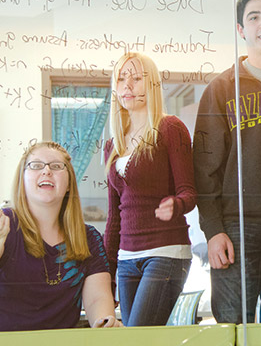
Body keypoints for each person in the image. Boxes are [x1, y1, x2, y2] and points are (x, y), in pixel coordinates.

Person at [193, 0, 261, 324]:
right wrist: (212, 230)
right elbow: (204, 166)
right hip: (236, 227)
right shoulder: (222, 88)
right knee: (232, 326)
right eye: (253, 17)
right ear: (241, 30)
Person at [0, 141, 121, 332]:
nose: (47, 171)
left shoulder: (89, 237)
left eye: (56, 166)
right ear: (22, 180)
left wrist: (105, 321)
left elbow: (98, 298)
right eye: (36, 165)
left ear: (68, 185)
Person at [104, 52, 197, 326]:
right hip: (126, 259)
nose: (127, 86)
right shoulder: (114, 145)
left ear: (152, 85)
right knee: (135, 340)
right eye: (121, 79)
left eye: (136, 78)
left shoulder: (170, 128)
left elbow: (189, 193)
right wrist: (108, 275)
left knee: (138, 338)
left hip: (165, 252)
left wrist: (175, 205)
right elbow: (113, 219)